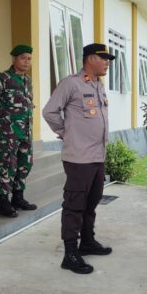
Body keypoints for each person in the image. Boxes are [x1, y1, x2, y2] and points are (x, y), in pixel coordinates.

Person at [43, 43, 114, 275]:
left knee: (92, 202)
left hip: (96, 155)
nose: (107, 63)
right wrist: (66, 133)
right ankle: (70, 253)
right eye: (103, 58)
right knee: (74, 205)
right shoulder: (70, 84)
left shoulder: (97, 85)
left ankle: (87, 242)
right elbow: (49, 111)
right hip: (78, 157)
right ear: (90, 59)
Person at [0, 45, 37, 218]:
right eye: (23, 58)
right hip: (7, 132)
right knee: (7, 165)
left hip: (25, 131)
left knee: (25, 164)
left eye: (29, 58)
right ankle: (3, 202)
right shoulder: (2, 79)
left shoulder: (27, 80)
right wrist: (3, 122)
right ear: (14, 59)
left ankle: (18, 197)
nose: (27, 61)